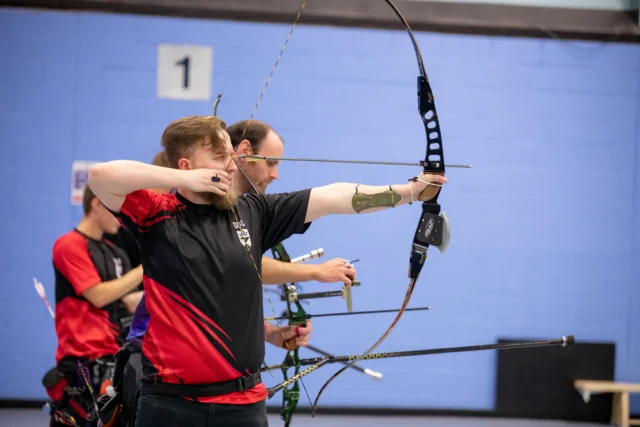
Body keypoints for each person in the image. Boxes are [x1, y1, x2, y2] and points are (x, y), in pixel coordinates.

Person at [87, 115, 446, 427]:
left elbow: (334, 197)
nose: (231, 165)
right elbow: (101, 176)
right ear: (186, 166)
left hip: (242, 405)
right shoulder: (156, 212)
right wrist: (186, 179)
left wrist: (411, 191)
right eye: (220, 156)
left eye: (231, 154)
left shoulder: (253, 211)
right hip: (169, 405)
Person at [43, 186, 144, 427]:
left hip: (115, 361)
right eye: (116, 212)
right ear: (97, 204)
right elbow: (98, 295)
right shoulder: (69, 245)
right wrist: (146, 267)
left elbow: (127, 301)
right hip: (82, 364)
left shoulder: (117, 254)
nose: (121, 220)